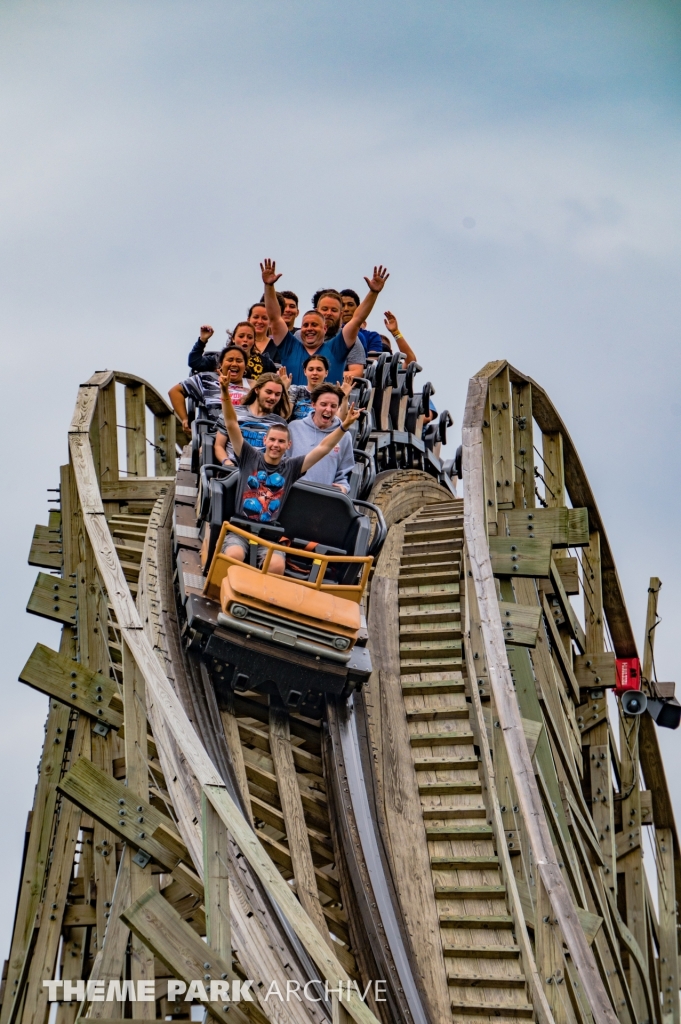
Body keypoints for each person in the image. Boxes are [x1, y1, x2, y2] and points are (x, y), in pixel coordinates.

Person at [218, 376, 360, 573]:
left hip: (270, 534)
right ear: (265, 440)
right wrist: (225, 391)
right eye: (273, 440)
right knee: (234, 555)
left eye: (281, 442)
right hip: (240, 529)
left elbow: (323, 448)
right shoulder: (248, 457)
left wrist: (344, 426)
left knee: (276, 565)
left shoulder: (291, 467)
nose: (276, 445)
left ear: (288, 446)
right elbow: (232, 423)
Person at [261, 259, 389, 386]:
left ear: (325, 329)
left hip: (328, 405)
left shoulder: (336, 348)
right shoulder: (290, 347)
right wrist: (269, 286)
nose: (309, 328)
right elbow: (274, 318)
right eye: (306, 325)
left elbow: (357, 320)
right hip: (292, 405)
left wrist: (373, 293)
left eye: (315, 325)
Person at [289, 384, 356, 492]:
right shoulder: (293, 428)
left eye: (333, 406)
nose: (328, 409)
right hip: (293, 492)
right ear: (313, 404)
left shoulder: (344, 436)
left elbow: (344, 474)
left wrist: (343, 488)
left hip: (324, 496)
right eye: (323, 404)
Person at [214, 372, 292, 465]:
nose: (272, 397)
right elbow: (218, 446)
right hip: (232, 469)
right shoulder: (233, 413)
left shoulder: (280, 423)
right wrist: (227, 463)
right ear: (257, 390)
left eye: (277, 394)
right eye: (269, 392)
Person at [169, 345, 249, 432]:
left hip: (248, 434)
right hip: (218, 433)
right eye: (230, 360)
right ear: (221, 364)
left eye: (239, 361)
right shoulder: (207, 379)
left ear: (245, 366)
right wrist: (185, 419)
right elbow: (175, 392)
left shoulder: (253, 386)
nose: (234, 364)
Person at [288, 358, 354, 421]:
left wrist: (344, 398)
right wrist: (285, 388)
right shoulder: (295, 390)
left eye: (319, 370)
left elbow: (341, 421)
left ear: (326, 373)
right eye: (311, 369)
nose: (314, 373)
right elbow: (285, 415)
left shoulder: (335, 393)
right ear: (305, 372)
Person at [340, 289, 383, 356]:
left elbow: (372, 361)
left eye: (350, 305)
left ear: (358, 308)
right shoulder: (329, 333)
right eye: (342, 305)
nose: (346, 309)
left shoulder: (372, 336)